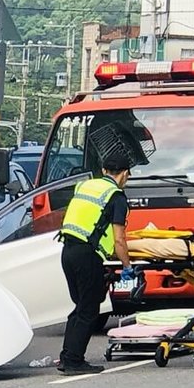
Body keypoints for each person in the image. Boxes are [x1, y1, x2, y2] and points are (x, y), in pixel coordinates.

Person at [57, 151, 134, 376]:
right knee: (88, 309)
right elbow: (119, 238)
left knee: (81, 306)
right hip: (86, 255)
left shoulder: (84, 187)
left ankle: (66, 357)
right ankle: (73, 361)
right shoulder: (116, 196)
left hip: (67, 251)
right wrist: (128, 267)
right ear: (125, 174)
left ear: (103, 171)